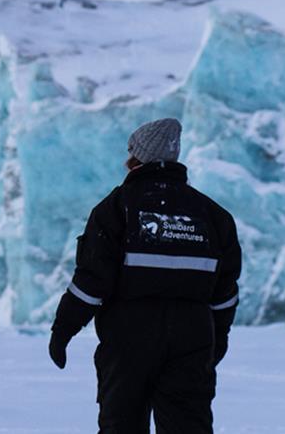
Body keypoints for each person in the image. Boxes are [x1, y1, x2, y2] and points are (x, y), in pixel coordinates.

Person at [48, 118, 243, 433]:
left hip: (128, 337)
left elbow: (92, 280)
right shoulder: (212, 214)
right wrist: (217, 336)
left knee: (121, 424)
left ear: (137, 157)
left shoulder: (116, 207)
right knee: (188, 425)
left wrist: (63, 330)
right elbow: (225, 292)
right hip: (192, 335)